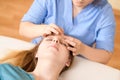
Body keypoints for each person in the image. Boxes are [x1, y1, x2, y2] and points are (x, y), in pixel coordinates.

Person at [19, 0, 116, 64]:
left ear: (68, 61)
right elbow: (23, 28)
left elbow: (105, 56)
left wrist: (83, 49)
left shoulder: (104, 12)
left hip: (77, 62)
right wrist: (42, 29)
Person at [0, 35, 74, 80]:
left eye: (63, 43)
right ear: (36, 53)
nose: (55, 40)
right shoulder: (6, 70)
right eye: (49, 39)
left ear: (68, 61)